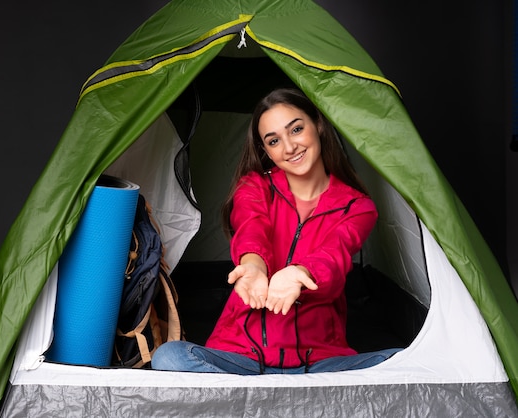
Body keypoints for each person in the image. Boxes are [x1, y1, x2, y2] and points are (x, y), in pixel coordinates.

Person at [151, 88, 400, 374]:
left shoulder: (357, 206)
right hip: (242, 359)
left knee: (406, 361)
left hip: (318, 362)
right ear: (265, 151)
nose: (289, 147)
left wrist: (300, 272)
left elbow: (336, 253)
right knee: (169, 357)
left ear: (317, 124)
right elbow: (250, 226)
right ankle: (287, 401)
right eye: (273, 140)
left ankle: (260, 401)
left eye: (296, 129)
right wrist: (253, 266)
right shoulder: (254, 186)